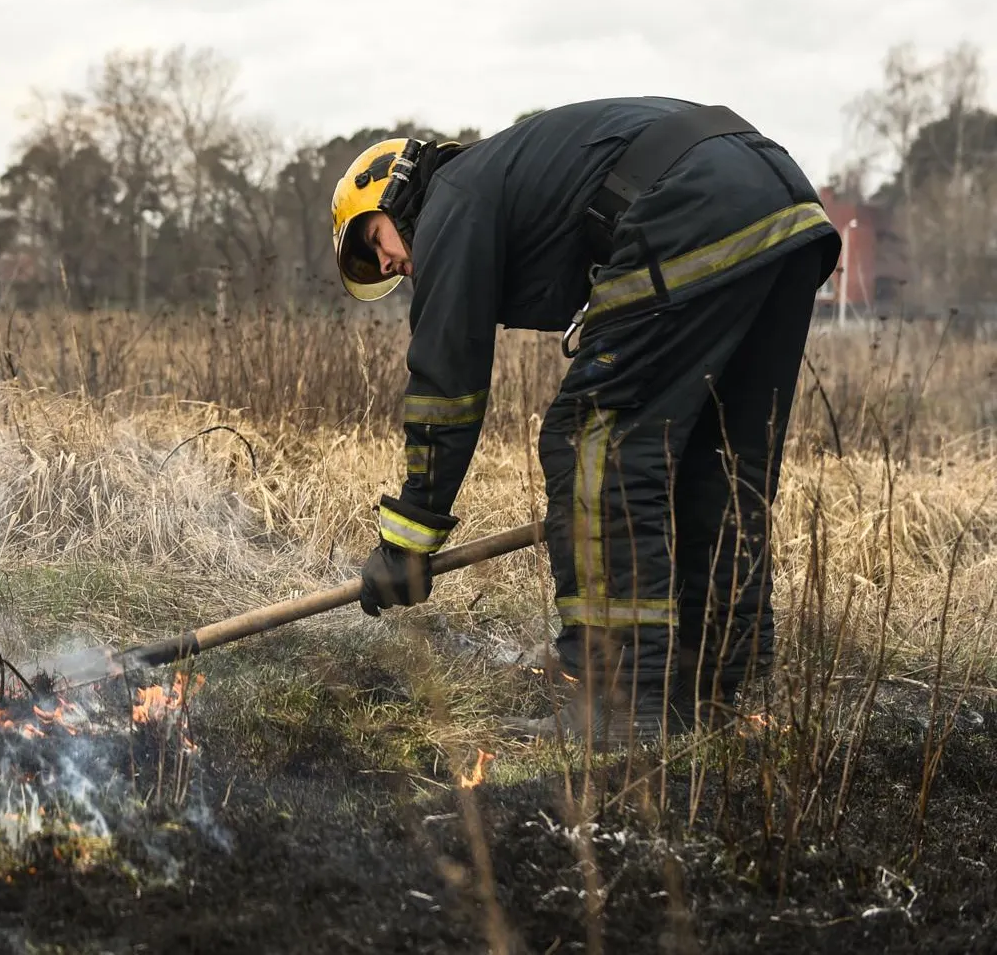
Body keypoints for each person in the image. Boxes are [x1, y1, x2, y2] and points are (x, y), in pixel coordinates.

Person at [330, 98, 840, 746]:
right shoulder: (507, 184)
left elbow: (446, 386)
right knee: (717, 457)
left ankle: (614, 698)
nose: (389, 267)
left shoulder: (450, 200)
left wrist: (407, 540)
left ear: (395, 197)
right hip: (783, 205)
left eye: (374, 244)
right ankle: (711, 683)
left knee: (592, 443)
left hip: (696, 205)